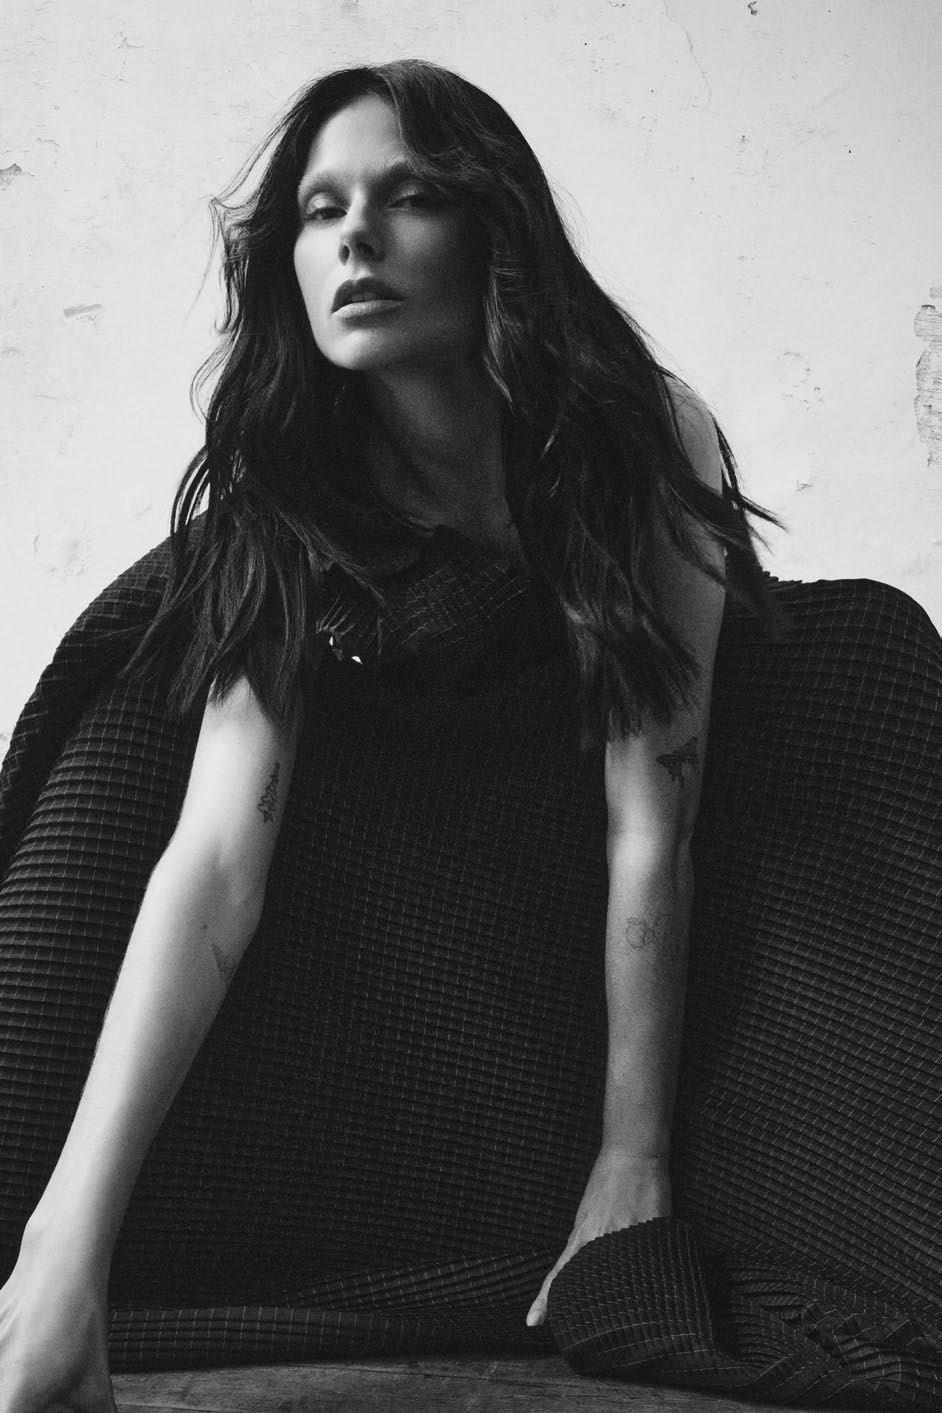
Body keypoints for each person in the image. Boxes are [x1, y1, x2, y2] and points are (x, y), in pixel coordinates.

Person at [0, 60, 779, 1412]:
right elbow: (216, 863)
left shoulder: (636, 435)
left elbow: (651, 820)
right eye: (319, 209)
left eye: (407, 196)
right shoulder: (286, 478)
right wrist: (69, 1250)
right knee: (120, 758)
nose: (355, 236)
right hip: (360, 836)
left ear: (495, 232)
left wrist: (632, 1161)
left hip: (552, 855)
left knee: (874, 660)